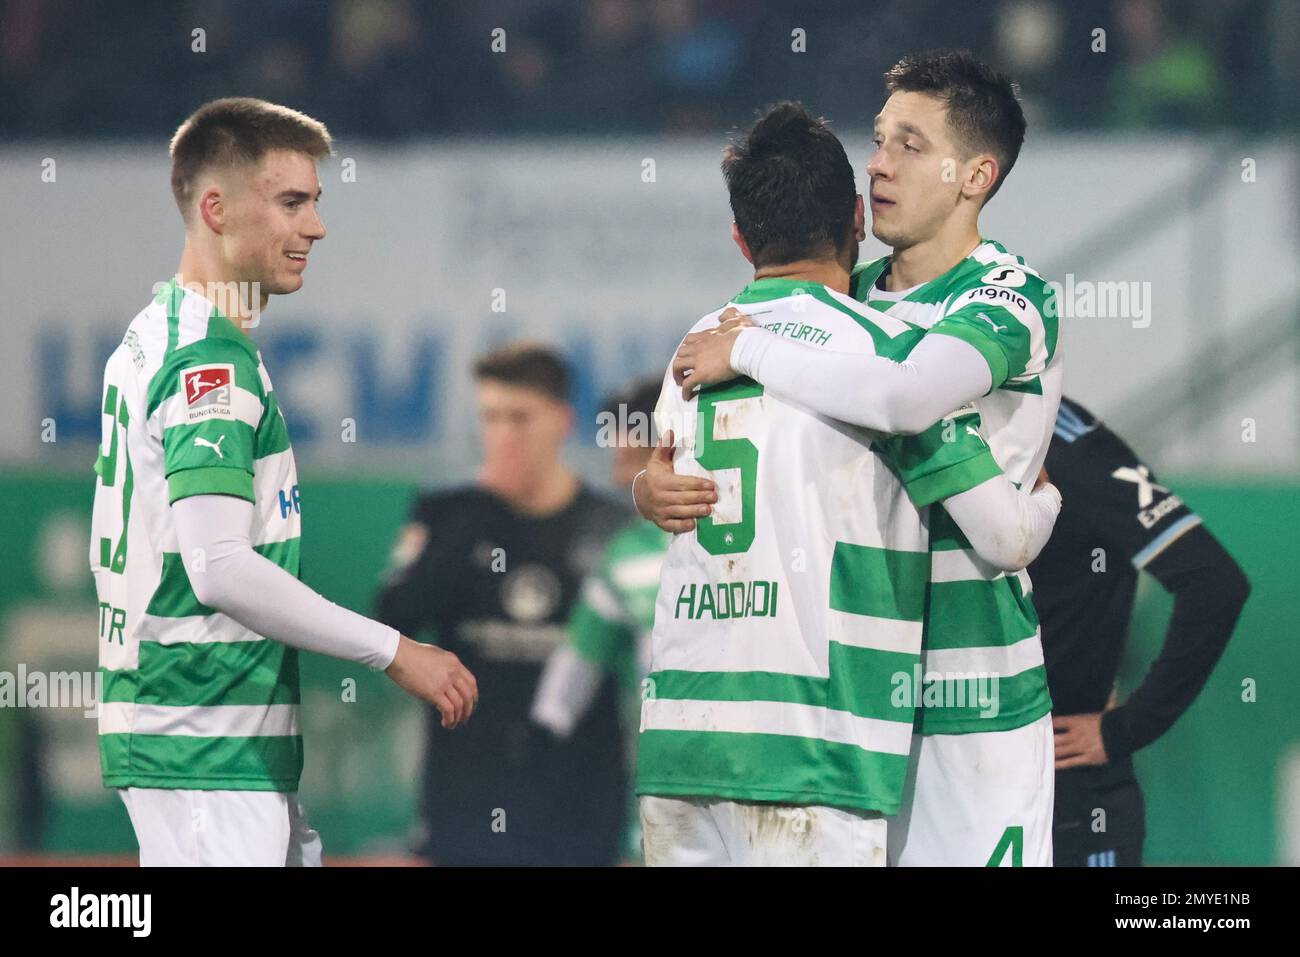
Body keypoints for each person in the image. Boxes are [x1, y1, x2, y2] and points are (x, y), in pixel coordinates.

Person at [640, 50, 1063, 865]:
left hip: (968, 694)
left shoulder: (1008, 294)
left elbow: (904, 397)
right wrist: (648, 488)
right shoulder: (846, 298)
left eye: (909, 143)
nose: (879, 163)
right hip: (844, 700)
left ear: (976, 174)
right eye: (877, 139)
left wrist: (754, 351)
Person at [90, 97, 477, 867]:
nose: (316, 227)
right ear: (216, 208)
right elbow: (221, 568)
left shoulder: (160, 332)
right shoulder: (208, 361)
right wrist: (395, 650)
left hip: (214, 741)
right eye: (291, 202)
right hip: (202, 741)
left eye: (316, 203)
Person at [376, 343, 630, 866]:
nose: (504, 435)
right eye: (491, 418)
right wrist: (480, 507)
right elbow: (392, 619)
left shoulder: (609, 527)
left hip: (581, 807)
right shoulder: (448, 513)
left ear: (563, 421)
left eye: (521, 418)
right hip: (465, 800)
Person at [1030, 396, 1250, 866]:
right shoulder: (923, 424)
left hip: (1066, 792)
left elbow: (1215, 582)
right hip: (952, 785)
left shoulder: (1068, 441)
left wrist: (1126, 727)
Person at [531, 376, 667, 862]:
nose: (616, 480)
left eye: (630, 463)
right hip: (664, 801)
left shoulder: (756, 542)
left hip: (770, 785)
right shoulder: (623, 557)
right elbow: (567, 684)